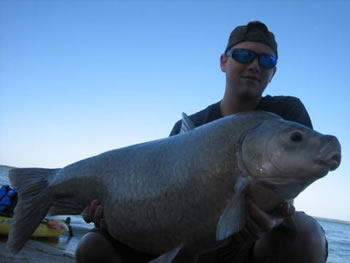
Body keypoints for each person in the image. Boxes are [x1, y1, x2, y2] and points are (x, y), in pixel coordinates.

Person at [75, 21, 328, 263]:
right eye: (243, 55)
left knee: (306, 236)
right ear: (223, 62)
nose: (254, 65)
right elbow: (164, 194)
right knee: (91, 247)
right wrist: (114, 213)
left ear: (273, 72)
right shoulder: (187, 128)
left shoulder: (286, 114)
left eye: (266, 60)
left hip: (252, 242)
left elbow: (285, 192)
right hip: (183, 236)